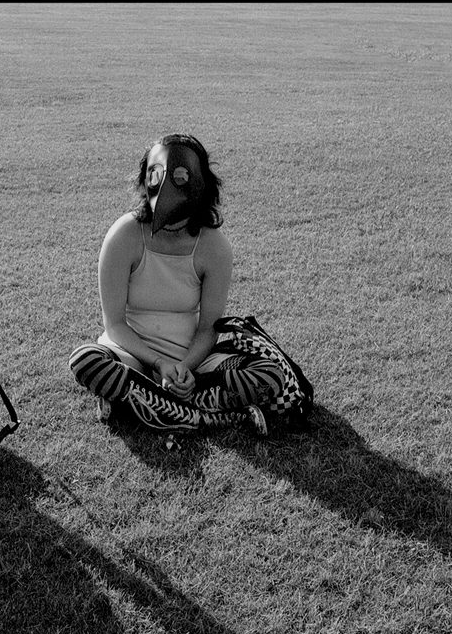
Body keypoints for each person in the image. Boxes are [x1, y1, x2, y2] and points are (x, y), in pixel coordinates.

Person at [69, 133, 288, 436]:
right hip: (133, 354)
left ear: (201, 184)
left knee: (269, 374)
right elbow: (115, 324)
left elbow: (209, 328)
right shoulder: (125, 235)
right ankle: (205, 414)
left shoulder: (214, 246)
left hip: (193, 360)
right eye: (156, 174)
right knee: (85, 359)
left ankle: (144, 403)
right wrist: (158, 364)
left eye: (181, 176)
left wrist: (184, 368)